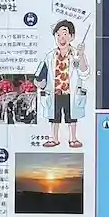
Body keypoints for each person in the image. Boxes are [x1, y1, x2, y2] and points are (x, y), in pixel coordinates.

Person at [34, 19, 89, 148]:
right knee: (54, 117)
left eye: (64, 34)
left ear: (72, 36)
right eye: (58, 34)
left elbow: (84, 73)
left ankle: (73, 139)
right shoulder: (50, 56)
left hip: (71, 93)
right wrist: (39, 83)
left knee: (72, 117)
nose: (61, 38)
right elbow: (39, 75)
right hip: (55, 93)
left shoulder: (77, 55)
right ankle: (54, 139)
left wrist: (81, 55)